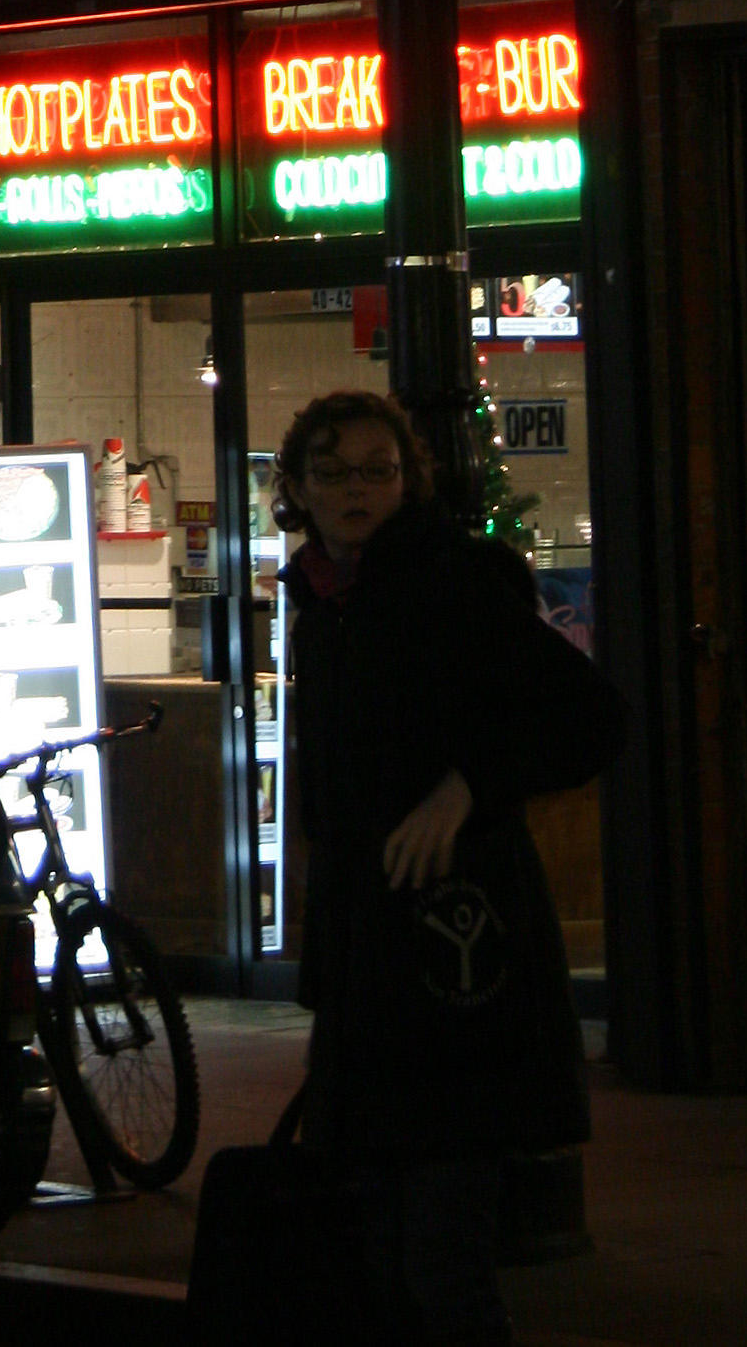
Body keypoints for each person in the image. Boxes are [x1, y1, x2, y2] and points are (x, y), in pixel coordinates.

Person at [277, 387, 624, 1347]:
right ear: (298, 485)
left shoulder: (458, 580)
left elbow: (586, 716)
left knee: (442, 1258)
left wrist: (465, 788)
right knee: (383, 1254)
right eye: (334, 470)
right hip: (372, 959)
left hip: (456, 957)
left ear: (409, 477)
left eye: (378, 470)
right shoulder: (323, 603)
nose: (357, 488)